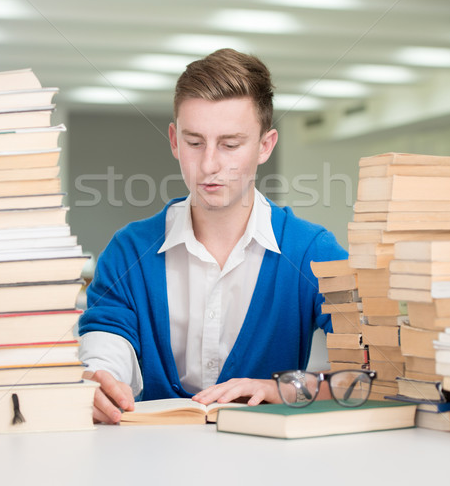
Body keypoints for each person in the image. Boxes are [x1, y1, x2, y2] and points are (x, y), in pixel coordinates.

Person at [78, 48, 347, 424]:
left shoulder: (311, 252)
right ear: (174, 140)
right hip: (151, 463)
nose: (209, 165)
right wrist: (97, 383)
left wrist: (285, 389)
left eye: (230, 144)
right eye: (194, 142)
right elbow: (106, 345)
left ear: (265, 146)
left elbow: (372, 366)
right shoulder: (129, 252)